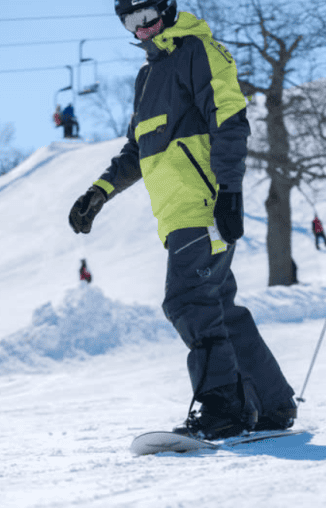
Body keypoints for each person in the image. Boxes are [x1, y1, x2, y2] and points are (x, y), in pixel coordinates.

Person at [67, 0, 296, 439]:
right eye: (131, 22)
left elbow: (230, 120)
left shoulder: (199, 51)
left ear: (168, 10)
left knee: (187, 302)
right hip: (175, 215)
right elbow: (136, 150)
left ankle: (223, 409)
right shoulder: (148, 76)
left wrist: (230, 190)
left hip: (204, 205)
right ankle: (272, 404)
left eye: (147, 17)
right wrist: (99, 192)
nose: (142, 29)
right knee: (219, 311)